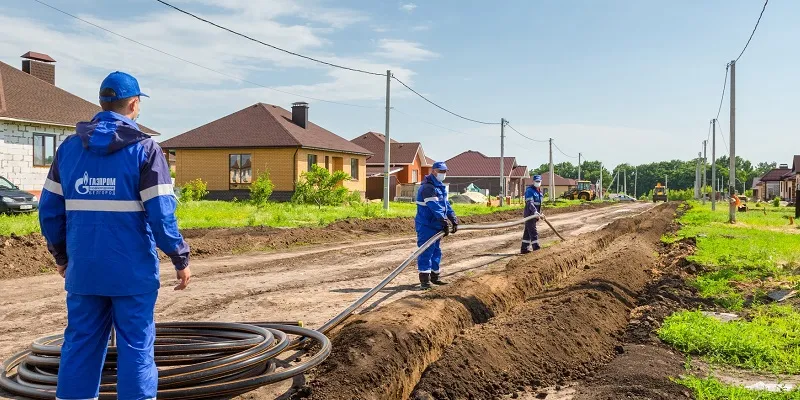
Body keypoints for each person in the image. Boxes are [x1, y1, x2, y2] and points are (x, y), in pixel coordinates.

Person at [38, 71, 191, 400]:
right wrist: (180, 257)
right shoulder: (146, 150)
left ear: (102, 103)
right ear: (134, 104)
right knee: (136, 347)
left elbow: (48, 211)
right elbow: (162, 215)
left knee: (80, 344)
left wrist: (63, 257)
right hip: (131, 273)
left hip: (85, 272)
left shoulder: (68, 149)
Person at [415, 161, 458, 290]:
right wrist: (443, 221)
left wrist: (452, 217)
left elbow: (446, 205)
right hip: (426, 225)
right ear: (433, 171)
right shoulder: (428, 188)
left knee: (436, 251)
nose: (443, 174)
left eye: (445, 171)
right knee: (426, 251)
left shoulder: (439, 187)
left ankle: (435, 276)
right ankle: (425, 281)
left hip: (436, 225)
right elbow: (435, 207)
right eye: (441, 171)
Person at [521, 174, 545, 254]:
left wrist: (541, 213)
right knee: (533, 232)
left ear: (541, 181)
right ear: (533, 181)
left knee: (527, 232)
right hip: (530, 215)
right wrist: (535, 211)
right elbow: (530, 203)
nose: (538, 182)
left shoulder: (540, 193)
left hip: (535, 215)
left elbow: (539, 205)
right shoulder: (529, 191)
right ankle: (536, 249)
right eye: (536, 181)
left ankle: (524, 249)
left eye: (539, 181)